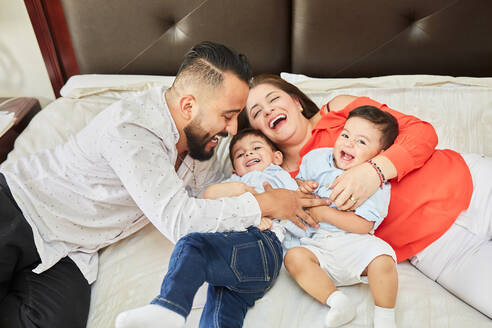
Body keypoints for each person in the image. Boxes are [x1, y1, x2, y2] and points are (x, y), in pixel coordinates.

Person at [0, 43, 327, 328]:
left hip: (73, 248)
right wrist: (266, 205)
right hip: (20, 205)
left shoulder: (204, 145)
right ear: (188, 106)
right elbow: (182, 221)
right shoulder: (131, 128)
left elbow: (212, 200)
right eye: (228, 115)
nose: (231, 129)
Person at [242, 74, 492, 318]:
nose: (267, 110)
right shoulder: (280, 180)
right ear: (257, 130)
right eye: (256, 112)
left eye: (273, 99)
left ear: (296, 102)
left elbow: (421, 133)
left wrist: (375, 171)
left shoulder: (339, 110)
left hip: (472, 183)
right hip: (435, 249)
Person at [114, 128, 304, 328]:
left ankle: (170, 307)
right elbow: (209, 196)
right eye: (240, 154)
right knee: (217, 316)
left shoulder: (278, 175)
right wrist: (236, 189)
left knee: (193, 244)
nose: (248, 153)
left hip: (261, 244)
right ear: (235, 169)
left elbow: (296, 212)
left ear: (277, 157)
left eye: (256, 148)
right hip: (243, 268)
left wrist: (265, 214)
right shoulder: (235, 181)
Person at [286, 105, 399, 328]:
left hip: (354, 245)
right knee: (293, 258)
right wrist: (302, 186)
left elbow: (364, 225)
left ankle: (385, 318)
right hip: (317, 245)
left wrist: (323, 212)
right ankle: (337, 302)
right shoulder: (315, 158)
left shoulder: (375, 182)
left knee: (384, 261)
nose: (348, 143)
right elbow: (296, 187)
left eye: (361, 142)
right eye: (346, 135)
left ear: (379, 154)